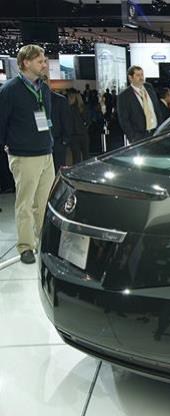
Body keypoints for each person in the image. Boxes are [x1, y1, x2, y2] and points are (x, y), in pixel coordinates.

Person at [0, 44, 55, 264]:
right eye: (40, 61)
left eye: (44, 60)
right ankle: (25, 246)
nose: (44, 65)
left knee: (43, 203)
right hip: (24, 156)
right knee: (25, 204)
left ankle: (43, 242)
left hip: (46, 152)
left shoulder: (44, 88)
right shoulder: (10, 90)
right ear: (26, 63)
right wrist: (8, 146)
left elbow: (47, 118)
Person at [41, 60, 73, 173]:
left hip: (57, 141)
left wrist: (65, 140)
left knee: (58, 170)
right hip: (40, 143)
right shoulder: (33, 100)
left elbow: (66, 121)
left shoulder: (60, 100)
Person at [117, 65, 161, 144]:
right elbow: (124, 120)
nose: (141, 78)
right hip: (140, 137)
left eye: (142, 74)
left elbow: (157, 109)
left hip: (156, 133)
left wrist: (161, 129)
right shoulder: (124, 96)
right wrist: (133, 137)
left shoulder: (149, 87)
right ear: (130, 78)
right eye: (138, 75)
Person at [67, 89, 91, 163]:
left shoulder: (69, 109)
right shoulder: (83, 108)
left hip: (74, 136)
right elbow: (88, 121)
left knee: (76, 158)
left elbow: (68, 123)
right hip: (84, 134)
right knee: (86, 156)